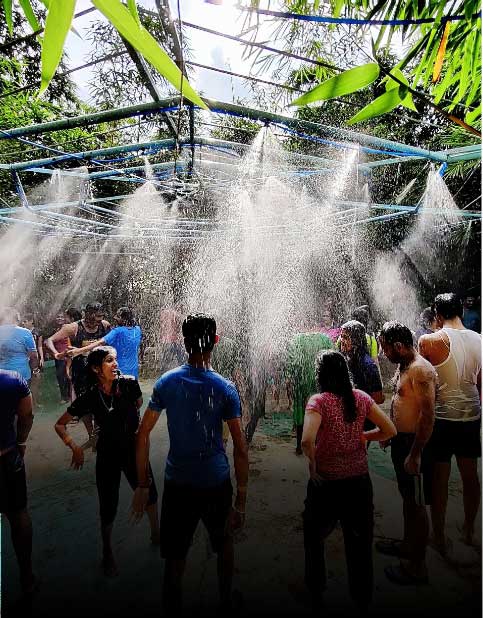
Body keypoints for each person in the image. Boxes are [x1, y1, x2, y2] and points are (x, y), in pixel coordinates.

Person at [131, 313, 249, 615]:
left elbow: (142, 434)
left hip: (177, 484)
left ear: (184, 343)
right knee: (224, 545)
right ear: (216, 342)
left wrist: (143, 484)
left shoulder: (166, 383)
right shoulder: (225, 388)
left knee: (174, 558)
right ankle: (224, 600)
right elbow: (240, 446)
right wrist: (242, 500)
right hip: (215, 483)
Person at [301, 350, 396, 613]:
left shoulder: (319, 401)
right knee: (360, 544)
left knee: (314, 537)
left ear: (320, 374)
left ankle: (316, 590)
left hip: (326, 483)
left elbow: (307, 440)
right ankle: (362, 597)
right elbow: (390, 430)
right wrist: (364, 437)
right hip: (358, 484)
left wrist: (312, 466)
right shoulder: (361, 398)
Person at [54, 347, 159, 577]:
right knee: (108, 506)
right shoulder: (91, 397)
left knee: (149, 492)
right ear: (96, 369)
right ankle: (108, 552)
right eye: (109, 361)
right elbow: (59, 424)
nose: (115, 364)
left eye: (116, 360)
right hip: (107, 455)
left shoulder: (130, 384)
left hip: (133, 451)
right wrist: (75, 448)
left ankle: (155, 533)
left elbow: (139, 405)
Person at [419, 293, 481, 554]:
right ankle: (468, 530)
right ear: (461, 312)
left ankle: (439, 536)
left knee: (440, 478)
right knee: (470, 475)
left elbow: (426, 381)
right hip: (472, 416)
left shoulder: (430, 340)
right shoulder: (480, 339)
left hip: (443, 418)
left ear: (438, 315)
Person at [378, 321, 437, 585]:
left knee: (417, 504)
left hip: (415, 445)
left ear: (399, 346)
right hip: (402, 441)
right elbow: (401, 404)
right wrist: (391, 435)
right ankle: (407, 545)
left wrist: (415, 454)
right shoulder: (405, 367)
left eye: (385, 348)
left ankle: (418, 566)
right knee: (407, 498)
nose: (383, 354)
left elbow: (427, 416)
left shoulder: (420, 370)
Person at [0, 369, 36, 596]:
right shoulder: (13, 380)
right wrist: (21, 443)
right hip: (6, 457)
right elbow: (27, 416)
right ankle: (27, 576)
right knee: (18, 514)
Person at [285, 323, 333, 455]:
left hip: (301, 384)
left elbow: (291, 364)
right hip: (320, 383)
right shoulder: (325, 339)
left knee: (300, 414)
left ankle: (299, 447)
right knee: (319, 411)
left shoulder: (297, 341)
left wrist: (290, 380)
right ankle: (318, 444)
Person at [46, 302, 110, 399]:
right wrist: (57, 355)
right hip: (80, 371)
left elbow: (111, 344)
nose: (99, 319)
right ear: (88, 314)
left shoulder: (104, 325)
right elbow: (49, 341)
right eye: (97, 316)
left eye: (101, 316)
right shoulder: (74, 327)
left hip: (98, 371)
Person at [67, 307, 142, 379]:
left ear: (123, 319)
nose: (115, 318)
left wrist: (79, 351)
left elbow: (100, 343)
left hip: (118, 369)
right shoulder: (137, 329)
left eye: (118, 316)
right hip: (133, 371)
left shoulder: (117, 331)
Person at [340, 321, 384, 405]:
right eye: (341, 336)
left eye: (346, 337)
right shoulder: (344, 359)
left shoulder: (368, 365)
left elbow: (378, 399)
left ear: (356, 340)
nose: (342, 340)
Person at [45, 307, 82, 403]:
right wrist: (54, 353)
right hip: (61, 356)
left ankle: (71, 395)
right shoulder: (55, 329)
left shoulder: (71, 327)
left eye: (63, 317)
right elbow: (47, 340)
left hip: (70, 354)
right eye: (58, 317)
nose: (61, 318)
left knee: (69, 375)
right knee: (61, 376)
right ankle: (64, 396)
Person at [0, 307, 39, 386]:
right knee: (23, 398)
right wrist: (35, 369)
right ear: (16, 319)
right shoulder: (25, 333)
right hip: (22, 374)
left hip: (2, 374)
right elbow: (34, 356)